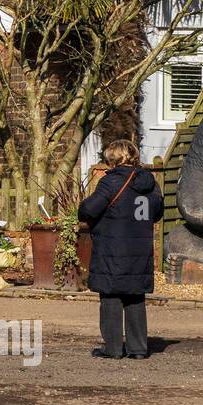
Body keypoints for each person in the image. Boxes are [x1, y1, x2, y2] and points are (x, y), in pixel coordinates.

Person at [78, 139, 162, 360]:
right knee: (135, 297)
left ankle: (113, 348)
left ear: (113, 159)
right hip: (140, 248)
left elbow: (89, 208)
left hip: (113, 247)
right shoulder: (150, 182)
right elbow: (158, 211)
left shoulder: (111, 182)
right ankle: (138, 349)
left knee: (111, 295)